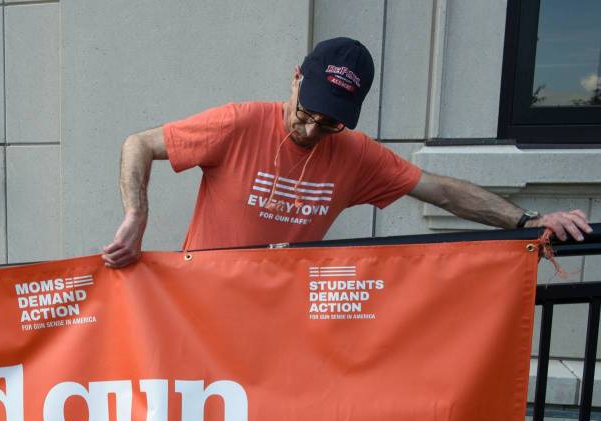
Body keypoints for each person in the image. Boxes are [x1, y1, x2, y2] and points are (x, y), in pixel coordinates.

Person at [102, 37, 592, 268]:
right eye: (307, 111)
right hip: (205, 304)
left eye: (330, 121)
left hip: (281, 315)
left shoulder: (355, 155)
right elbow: (138, 144)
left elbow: (440, 190)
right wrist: (135, 216)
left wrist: (524, 221)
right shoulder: (239, 122)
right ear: (296, 79)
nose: (312, 128)